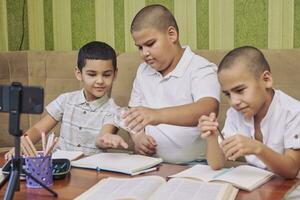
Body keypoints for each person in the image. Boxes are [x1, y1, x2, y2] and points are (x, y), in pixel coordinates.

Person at [124, 4, 220, 164]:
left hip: (194, 164)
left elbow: (208, 108)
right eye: (140, 47)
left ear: (172, 34)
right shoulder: (143, 71)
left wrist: (156, 115)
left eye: (150, 44)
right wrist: (138, 138)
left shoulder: (199, 67)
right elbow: (133, 116)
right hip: (150, 162)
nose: (144, 53)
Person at [5, 41, 128, 160]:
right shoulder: (66, 100)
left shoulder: (114, 110)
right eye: (92, 74)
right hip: (60, 164)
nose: (100, 81)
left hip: (90, 170)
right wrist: (20, 146)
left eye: (106, 75)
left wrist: (108, 139)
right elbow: (38, 130)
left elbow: (102, 138)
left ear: (115, 74)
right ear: (79, 74)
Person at [198, 46, 300, 178]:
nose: (234, 101)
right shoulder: (234, 114)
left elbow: (291, 170)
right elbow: (217, 164)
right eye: (227, 94)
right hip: (257, 187)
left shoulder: (293, 112)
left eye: (240, 90)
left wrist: (258, 148)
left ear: (266, 80)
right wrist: (211, 137)